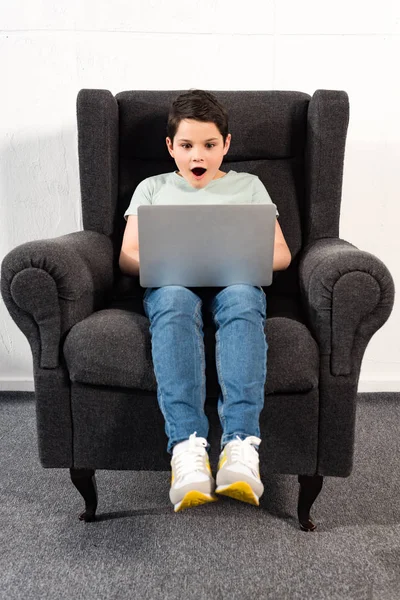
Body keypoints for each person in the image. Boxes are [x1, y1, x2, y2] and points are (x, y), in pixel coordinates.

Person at [119, 89, 291, 513]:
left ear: (226, 145)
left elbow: (282, 254)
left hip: (236, 281)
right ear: (170, 147)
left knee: (241, 299)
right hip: (172, 284)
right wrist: (165, 263)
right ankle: (188, 448)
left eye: (210, 145)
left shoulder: (249, 186)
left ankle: (240, 445)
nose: (198, 155)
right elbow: (127, 255)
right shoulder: (152, 188)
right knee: (174, 301)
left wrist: (242, 260)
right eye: (187, 145)